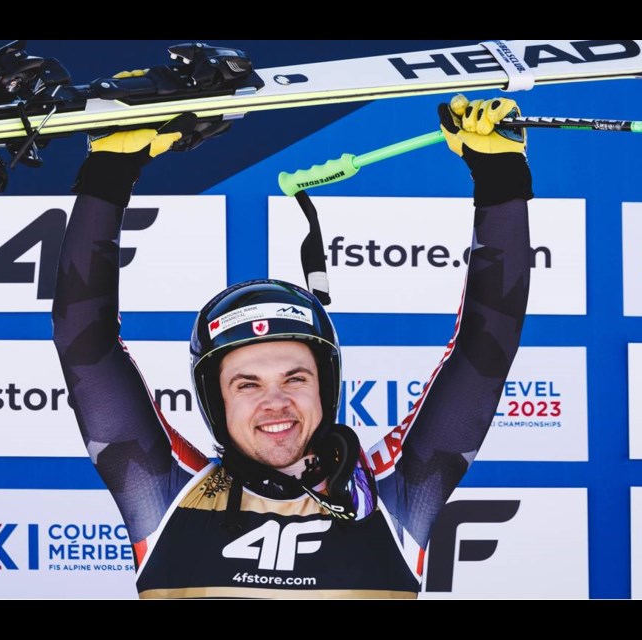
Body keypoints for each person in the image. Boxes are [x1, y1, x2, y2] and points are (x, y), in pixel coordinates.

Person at [52, 94, 532, 598]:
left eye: (295, 378)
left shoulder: (396, 499)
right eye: (247, 384)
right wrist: (109, 172)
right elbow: (87, 347)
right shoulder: (165, 495)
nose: (275, 402)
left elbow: (483, 350)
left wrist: (499, 180)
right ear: (216, 403)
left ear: (325, 388)